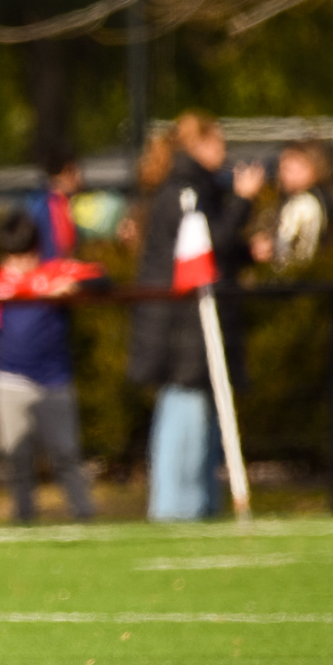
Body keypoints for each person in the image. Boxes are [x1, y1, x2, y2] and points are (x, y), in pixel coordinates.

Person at [128, 110, 263, 521]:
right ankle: (174, 509)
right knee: (183, 415)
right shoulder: (184, 190)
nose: (224, 152)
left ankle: (201, 506)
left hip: (194, 325)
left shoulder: (199, 187)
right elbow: (203, 247)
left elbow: (216, 248)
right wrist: (244, 199)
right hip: (182, 328)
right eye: (217, 142)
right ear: (197, 145)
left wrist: (246, 251)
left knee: (204, 418)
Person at [0, 210, 107, 523]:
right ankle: (24, 517)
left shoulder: (55, 272)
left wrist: (72, 288)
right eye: (12, 257)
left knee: (65, 452)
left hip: (54, 381)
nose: (19, 265)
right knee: (16, 456)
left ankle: (83, 513)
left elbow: (101, 277)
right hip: (9, 381)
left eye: (25, 256)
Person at [250, 141, 333, 272]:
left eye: (288, 168)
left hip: (303, 282)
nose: (282, 174)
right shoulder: (326, 197)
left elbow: (296, 256)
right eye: (281, 168)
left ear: (311, 168)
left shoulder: (304, 204)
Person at [26, 146, 83, 261]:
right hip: (49, 272)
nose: (79, 178)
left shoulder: (62, 202)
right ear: (65, 173)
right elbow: (61, 247)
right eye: (75, 171)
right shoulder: (47, 204)